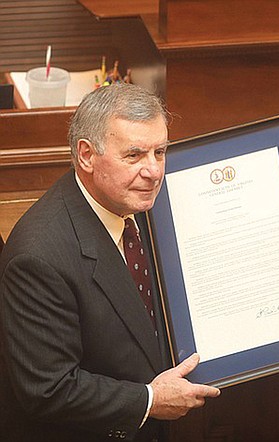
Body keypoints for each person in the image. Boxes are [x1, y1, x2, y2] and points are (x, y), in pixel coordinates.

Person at [0, 83, 221, 442]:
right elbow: (49, 389)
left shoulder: (146, 203)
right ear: (86, 155)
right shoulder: (38, 258)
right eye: (134, 155)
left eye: (160, 152)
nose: (153, 172)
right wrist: (149, 401)